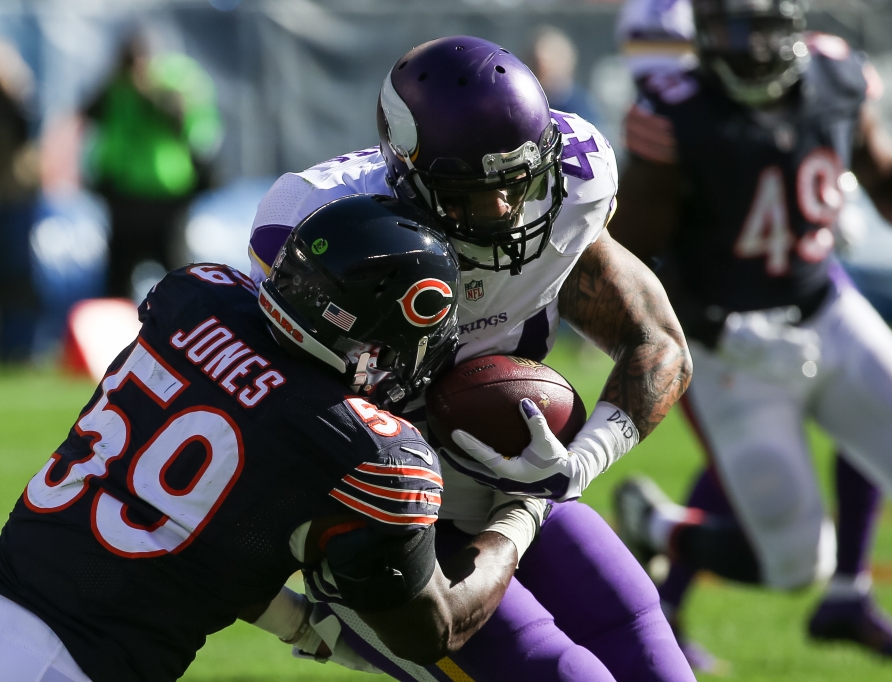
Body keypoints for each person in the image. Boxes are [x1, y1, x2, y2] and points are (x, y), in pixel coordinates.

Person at [247, 35, 696, 681]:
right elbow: (258, 418)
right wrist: (289, 611)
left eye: (516, 182)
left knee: (649, 650)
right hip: (384, 516)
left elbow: (656, 343)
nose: (502, 209)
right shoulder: (326, 231)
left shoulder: (574, 182)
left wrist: (575, 465)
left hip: (516, 479)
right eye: (466, 191)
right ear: (404, 170)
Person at [0, 195, 550, 681]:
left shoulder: (195, 297)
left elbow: (184, 527)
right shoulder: (369, 452)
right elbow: (434, 630)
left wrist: (299, 624)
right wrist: (523, 511)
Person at [608, 1, 892, 681]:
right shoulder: (676, 112)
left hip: (828, 311)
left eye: (759, 31)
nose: (748, 50)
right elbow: (631, 265)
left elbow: (878, 162)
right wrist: (721, 325)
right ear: (701, 35)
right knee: (795, 567)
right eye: (729, 33)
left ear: (791, 25)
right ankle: (660, 527)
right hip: (736, 354)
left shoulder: (838, 76)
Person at [83, 32, 222, 299]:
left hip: (165, 197)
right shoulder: (116, 86)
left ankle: (187, 331)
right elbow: (90, 114)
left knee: (178, 274)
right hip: (124, 195)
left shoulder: (175, 83)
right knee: (118, 278)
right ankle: (117, 335)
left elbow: (191, 128)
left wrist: (153, 92)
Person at [0, 39, 40, 362]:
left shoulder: (14, 97)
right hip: (11, 193)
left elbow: (27, 118)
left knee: (16, 273)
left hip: (11, 195)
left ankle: (21, 346)